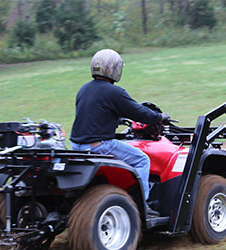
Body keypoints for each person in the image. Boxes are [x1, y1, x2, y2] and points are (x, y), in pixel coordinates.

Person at [70, 49, 169, 216]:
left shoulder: (84, 89)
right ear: (114, 69)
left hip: (76, 146)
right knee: (142, 160)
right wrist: (159, 117)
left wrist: (117, 119)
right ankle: (143, 206)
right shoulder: (114, 92)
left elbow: (95, 114)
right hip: (99, 146)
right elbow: (138, 112)